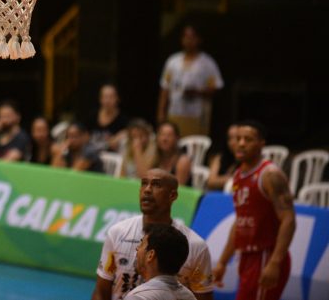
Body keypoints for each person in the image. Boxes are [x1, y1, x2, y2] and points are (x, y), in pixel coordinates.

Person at [93, 169, 213, 300]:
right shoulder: (117, 233)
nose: (147, 190)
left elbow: (203, 297)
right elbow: (101, 291)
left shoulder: (195, 246)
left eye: (156, 185)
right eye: (144, 183)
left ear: (172, 195)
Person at [212, 121, 295, 300]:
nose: (241, 143)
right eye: (238, 138)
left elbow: (289, 219)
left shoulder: (270, 175)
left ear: (261, 144)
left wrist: (275, 262)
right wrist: (222, 262)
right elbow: (240, 221)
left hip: (266, 255)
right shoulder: (238, 175)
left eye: (248, 139)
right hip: (247, 257)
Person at [156, 25, 223, 137]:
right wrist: (161, 114)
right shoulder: (173, 61)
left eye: (192, 37)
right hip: (174, 112)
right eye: (186, 37)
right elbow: (165, 88)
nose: (188, 40)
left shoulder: (207, 63)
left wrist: (197, 92)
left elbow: (216, 87)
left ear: (199, 39)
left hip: (196, 115)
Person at [125, 224, 195, 300]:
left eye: (141, 244)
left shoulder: (139, 297)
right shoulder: (190, 296)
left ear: (150, 255)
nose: (137, 248)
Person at [86, 83, 129, 151]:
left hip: (112, 155)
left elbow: (129, 132)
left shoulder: (123, 120)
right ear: (100, 99)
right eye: (105, 97)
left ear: (117, 98)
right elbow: (84, 133)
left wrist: (120, 136)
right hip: (91, 153)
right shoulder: (92, 116)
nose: (107, 101)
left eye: (111, 97)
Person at [154, 122, 191, 186]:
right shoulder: (155, 157)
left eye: (169, 135)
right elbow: (142, 179)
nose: (164, 139)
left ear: (177, 138)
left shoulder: (183, 160)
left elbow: (178, 188)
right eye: (162, 134)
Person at [206, 123, 239, 191]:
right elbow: (210, 182)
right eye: (229, 138)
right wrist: (230, 179)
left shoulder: (247, 161)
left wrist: (220, 180)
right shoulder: (220, 157)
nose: (232, 142)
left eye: (237, 138)